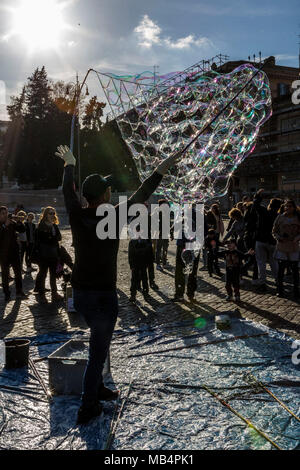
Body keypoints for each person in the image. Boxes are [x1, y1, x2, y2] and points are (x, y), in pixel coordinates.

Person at [57, 144, 180, 424]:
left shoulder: (77, 214)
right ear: (106, 194)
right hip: (102, 294)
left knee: (98, 347)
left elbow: (67, 192)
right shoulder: (112, 216)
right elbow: (142, 195)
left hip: (81, 292)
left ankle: (97, 387)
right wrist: (161, 169)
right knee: (97, 352)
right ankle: (88, 406)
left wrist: (69, 165)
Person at [252, 190, 282, 291]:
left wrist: (258, 195)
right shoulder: (280, 216)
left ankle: (263, 282)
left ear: (270, 205)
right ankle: (278, 282)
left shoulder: (264, 212)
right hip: (273, 242)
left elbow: (255, 205)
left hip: (261, 240)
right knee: (274, 263)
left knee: (261, 263)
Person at [34, 207, 64, 303]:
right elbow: (41, 240)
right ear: (46, 214)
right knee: (43, 274)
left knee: (53, 275)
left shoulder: (54, 226)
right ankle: (42, 295)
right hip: (44, 254)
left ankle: (54, 294)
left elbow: (59, 237)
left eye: (53, 213)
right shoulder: (41, 226)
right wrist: (51, 237)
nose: (52, 215)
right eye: (50, 213)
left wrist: (51, 236)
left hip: (54, 254)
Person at [272, 199, 300, 298]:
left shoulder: (298, 218)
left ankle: (296, 290)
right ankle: (280, 290)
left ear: (294, 207)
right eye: (286, 206)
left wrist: (297, 238)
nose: (287, 208)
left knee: (295, 271)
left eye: (290, 206)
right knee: (281, 270)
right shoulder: (279, 217)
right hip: (282, 247)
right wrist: (278, 238)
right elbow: (274, 231)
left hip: (293, 247)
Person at [173, 205, 200, 302]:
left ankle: (180, 294)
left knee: (180, 271)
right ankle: (191, 294)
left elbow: (175, 229)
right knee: (192, 271)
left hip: (183, 246)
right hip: (195, 246)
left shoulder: (181, 215)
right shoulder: (199, 214)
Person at [0, 206, 27, 302]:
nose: (5, 215)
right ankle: (7, 294)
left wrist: (19, 221)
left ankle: (19, 292)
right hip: (3, 254)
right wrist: (4, 226)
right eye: (3, 213)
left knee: (18, 273)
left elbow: (22, 230)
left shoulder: (11, 223)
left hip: (14, 252)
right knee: (5, 274)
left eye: (6, 213)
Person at [128, 236, 152, 302]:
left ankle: (146, 293)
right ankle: (133, 295)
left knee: (144, 278)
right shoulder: (132, 241)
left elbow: (149, 253)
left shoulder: (146, 240)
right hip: (135, 263)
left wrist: (148, 262)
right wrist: (131, 265)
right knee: (134, 279)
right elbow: (130, 254)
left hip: (143, 263)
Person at [154, 199, 170, 270]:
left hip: (165, 233)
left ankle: (164, 263)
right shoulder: (158, 212)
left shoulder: (166, 212)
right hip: (160, 233)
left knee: (165, 249)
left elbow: (168, 223)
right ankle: (158, 264)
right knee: (159, 249)